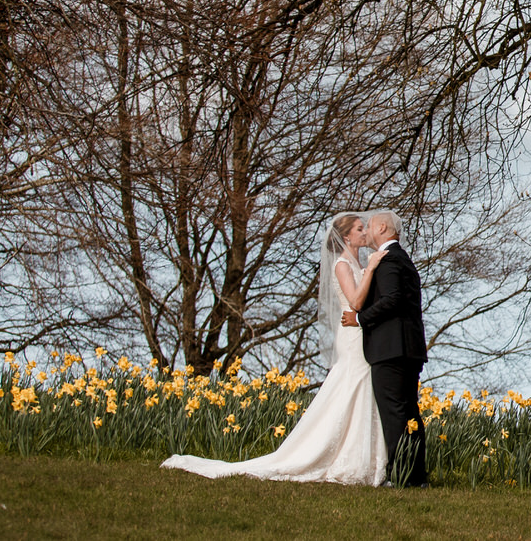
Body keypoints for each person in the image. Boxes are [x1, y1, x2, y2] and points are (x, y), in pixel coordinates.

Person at [162, 212, 389, 485]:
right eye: (359, 228)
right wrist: (373, 269)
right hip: (352, 334)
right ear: (346, 237)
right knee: (355, 385)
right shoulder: (342, 264)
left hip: (359, 332)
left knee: (359, 389)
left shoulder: (357, 260)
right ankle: (346, 459)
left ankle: (361, 458)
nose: (365, 232)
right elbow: (355, 302)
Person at [341, 208, 428, 487]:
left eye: (369, 226)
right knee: (408, 413)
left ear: (381, 229)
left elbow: (392, 300)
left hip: (392, 350)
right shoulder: (402, 260)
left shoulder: (390, 260)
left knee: (395, 415)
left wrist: (359, 318)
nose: (366, 231)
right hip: (407, 349)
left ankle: (402, 477)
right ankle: (414, 477)